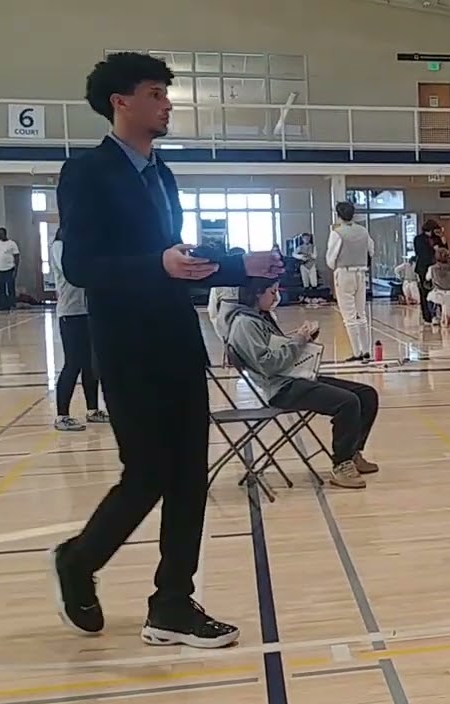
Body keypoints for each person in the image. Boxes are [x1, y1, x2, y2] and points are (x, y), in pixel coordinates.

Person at [51, 52, 283, 649]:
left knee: (189, 477)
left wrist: (242, 266)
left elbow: (179, 263)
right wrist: (156, 263)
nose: (167, 104)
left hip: (178, 342)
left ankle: (172, 603)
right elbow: (80, 265)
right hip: (126, 348)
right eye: (155, 93)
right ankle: (79, 560)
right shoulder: (87, 172)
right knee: (148, 472)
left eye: (165, 94)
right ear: (120, 102)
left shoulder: (163, 174)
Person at [225, 279, 379, 489]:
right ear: (257, 293)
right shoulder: (245, 324)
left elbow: (277, 349)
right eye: (272, 292)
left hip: (294, 377)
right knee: (347, 402)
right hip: (281, 388)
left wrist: (303, 338)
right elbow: (269, 365)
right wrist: (298, 340)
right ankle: (341, 464)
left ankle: (352, 452)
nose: (276, 297)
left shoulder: (259, 317)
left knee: (366, 394)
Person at [50, 230, 109, 432]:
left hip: (88, 312)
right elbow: (73, 273)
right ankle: (62, 416)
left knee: (90, 364)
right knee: (73, 363)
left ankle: (93, 409)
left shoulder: (81, 248)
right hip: (70, 313)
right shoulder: (59, 247)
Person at [326, 201, 375, 362]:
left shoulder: (337, 233)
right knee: (361, 314)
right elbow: (371, 250)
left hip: (344, 273)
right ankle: (366, 350)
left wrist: (336, 266)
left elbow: (331, 259)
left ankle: (357, 352)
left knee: (349, 317)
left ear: (338, 215)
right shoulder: (363, 231)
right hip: (361, 274)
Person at [413, 219, 444, 323]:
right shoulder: (419, 239)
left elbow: (444, 250)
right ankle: (427, 315)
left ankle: (437, 313)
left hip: (436, 267)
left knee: (437, 290)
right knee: (424, 291)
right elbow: (420, 253)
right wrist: (433, 250)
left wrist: (443, 240)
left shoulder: (437, 239)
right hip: (424, 267)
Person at [427, 246, 450, 326]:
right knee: (447, 318)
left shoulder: (432, 268)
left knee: (429, 298)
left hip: (438, 292)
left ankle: (435, 317)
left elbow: (427, 278)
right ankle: (446, 318)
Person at [0, 228, 19, 310]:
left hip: (9, 269)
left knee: (10, 287)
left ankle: (12, 304)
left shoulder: (12, 244)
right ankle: (4, 305)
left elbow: (17, 257)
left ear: (4, 234)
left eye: (0, 234)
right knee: (1, 288)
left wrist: (16, 269)